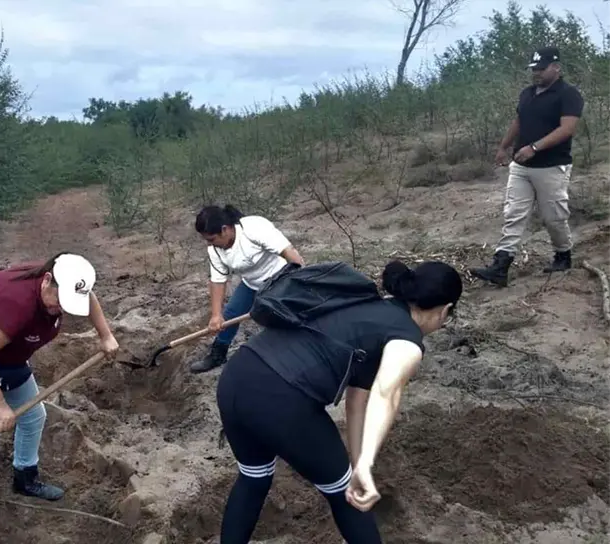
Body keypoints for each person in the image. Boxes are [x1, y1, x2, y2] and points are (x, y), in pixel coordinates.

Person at [215, 259, 463, 544]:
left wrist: (361, 464)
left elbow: (358, 399)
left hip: (237, 377)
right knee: (348, 494)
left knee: (254, 477)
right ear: (445, 311)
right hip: (281, 398)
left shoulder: (366, 306)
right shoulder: (407, 341)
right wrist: (362, 473)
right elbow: (386, 394)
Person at [0, 252, 120, 544]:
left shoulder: (65, 283)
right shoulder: (17, 305)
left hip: (8, 358)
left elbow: (89, 297)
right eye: (60, 301)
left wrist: (105, 335)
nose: (61, 310)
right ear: (47, 281)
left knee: (34, 415)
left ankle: (25, 479)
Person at [470, 46, 585, 287]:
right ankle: (500, 265)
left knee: (554, 217)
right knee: (513, 213)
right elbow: (519, 121)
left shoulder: (568, 94)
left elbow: (567, 129)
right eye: (534, 69)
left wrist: (534, 148)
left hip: (552, 166)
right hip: (521, 166)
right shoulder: (527, 93)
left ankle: (563, 254)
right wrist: (504, 147)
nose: (537, 73)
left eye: (542, 69)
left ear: (556, 67)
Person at [190, 204, 306, 373]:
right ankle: (218, 354)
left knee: (280, 319)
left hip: (279, 279)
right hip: (251, 283)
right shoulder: (214, 250)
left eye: (211, 238)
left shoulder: (254, 228)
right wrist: (216, 315)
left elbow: (289, 253)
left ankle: (294, 355)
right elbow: (217, 281)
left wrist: (302, 281)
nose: (209, 244)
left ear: (225, 229)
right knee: (230, 315)